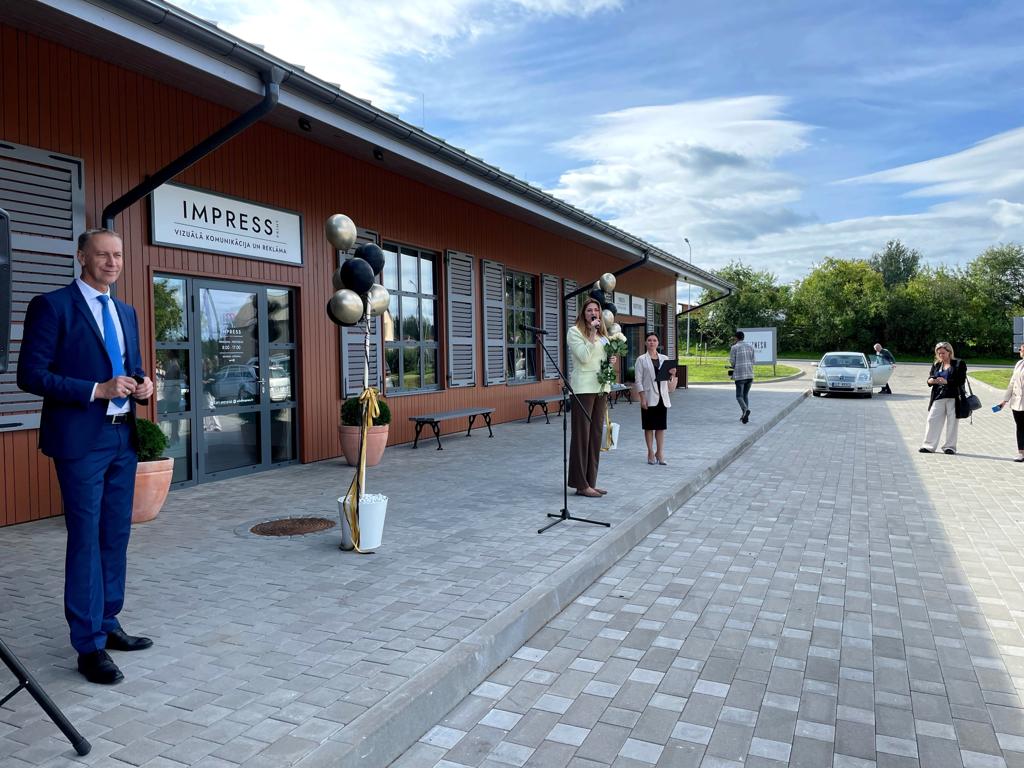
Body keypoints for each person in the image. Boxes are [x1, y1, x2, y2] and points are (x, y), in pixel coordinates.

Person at [17, 228, 155, 685]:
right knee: (85, 539)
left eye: (118, 255)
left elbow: (130, 368)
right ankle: (88, 645)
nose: (112, 262)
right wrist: (96, 390)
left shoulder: (126, 311)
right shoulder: (52, 306)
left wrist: (142, 384)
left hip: (122, 439)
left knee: (115, 535)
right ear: (81, 257)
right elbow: (30, 375)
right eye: (102, 255)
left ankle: (108, 621)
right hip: (81, 443)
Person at [567, 297, 617, 498]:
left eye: (596, 310)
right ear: (583, 313)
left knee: (595, 435)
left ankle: (591, 482)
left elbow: (601, 359)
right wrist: (592, 333)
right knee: (582, 436)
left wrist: (610, 360)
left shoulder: (603, 336)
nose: (593, 313)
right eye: (589, 310)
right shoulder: (575, 332)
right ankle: (580, 484)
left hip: (600, 387)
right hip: (583, 389)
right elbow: (584, 357)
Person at [634, 332, 677, 465]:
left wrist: (672, 374)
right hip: (648, 397)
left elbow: (668, 380)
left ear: (658, 343)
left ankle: (660, 452)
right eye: (649, 340)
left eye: (654, 340)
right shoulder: (641, 359)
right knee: (649, 427)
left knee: (660, 427)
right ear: (645, 343)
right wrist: (642, 398)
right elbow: (638, 380)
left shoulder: (665, 358)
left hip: (662, 397)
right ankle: (650, 452)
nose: (652, 342)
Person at [920, 341, 967, 455]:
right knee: (932, 420)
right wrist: (930, 381)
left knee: (952, 422)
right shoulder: (937, 364)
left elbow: (961, 380)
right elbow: (931, 376)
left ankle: (949, 447)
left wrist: (947, 381)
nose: (941, 355)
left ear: (949, 352)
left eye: (943, 353)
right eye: (939, 353)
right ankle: (928, 446)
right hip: (938, 396)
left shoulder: (959, 363)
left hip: (953, 397)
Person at [997, 342, 1024, 462]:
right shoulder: (1019, 363)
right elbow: (1012, 383)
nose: (1020, 351)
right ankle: (1021, 452)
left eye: (1021, 349)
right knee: (1020, 427)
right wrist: (1005, 400)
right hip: (1017, 402)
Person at [729, 330, 755, 424]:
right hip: (750, 374)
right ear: (743, 337)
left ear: (736, 338)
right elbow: (753, 361)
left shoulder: (734, 347)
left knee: (739, 396)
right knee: (745, 395)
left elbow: (732, 361)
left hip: (740, 375)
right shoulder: (750, 347)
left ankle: (746, 410)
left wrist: (734, 366)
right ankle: (744, 417)